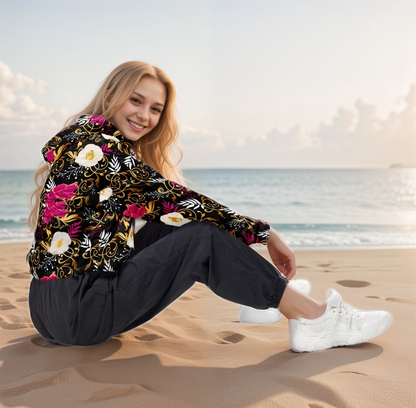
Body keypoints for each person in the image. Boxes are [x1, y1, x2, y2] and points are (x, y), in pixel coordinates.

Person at [27, 61, 392, 352]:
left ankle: (259, 296)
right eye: (135, 101)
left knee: (176, 223)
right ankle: (314, 317)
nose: (145, 116)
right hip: (81, 314)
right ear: (111, 94)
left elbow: (169, 210)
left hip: (49, 309)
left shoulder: (83, 138)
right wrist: (265, 234)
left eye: (155, 109)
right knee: (201, 234)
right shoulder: (101, 149)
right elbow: (183, 202)